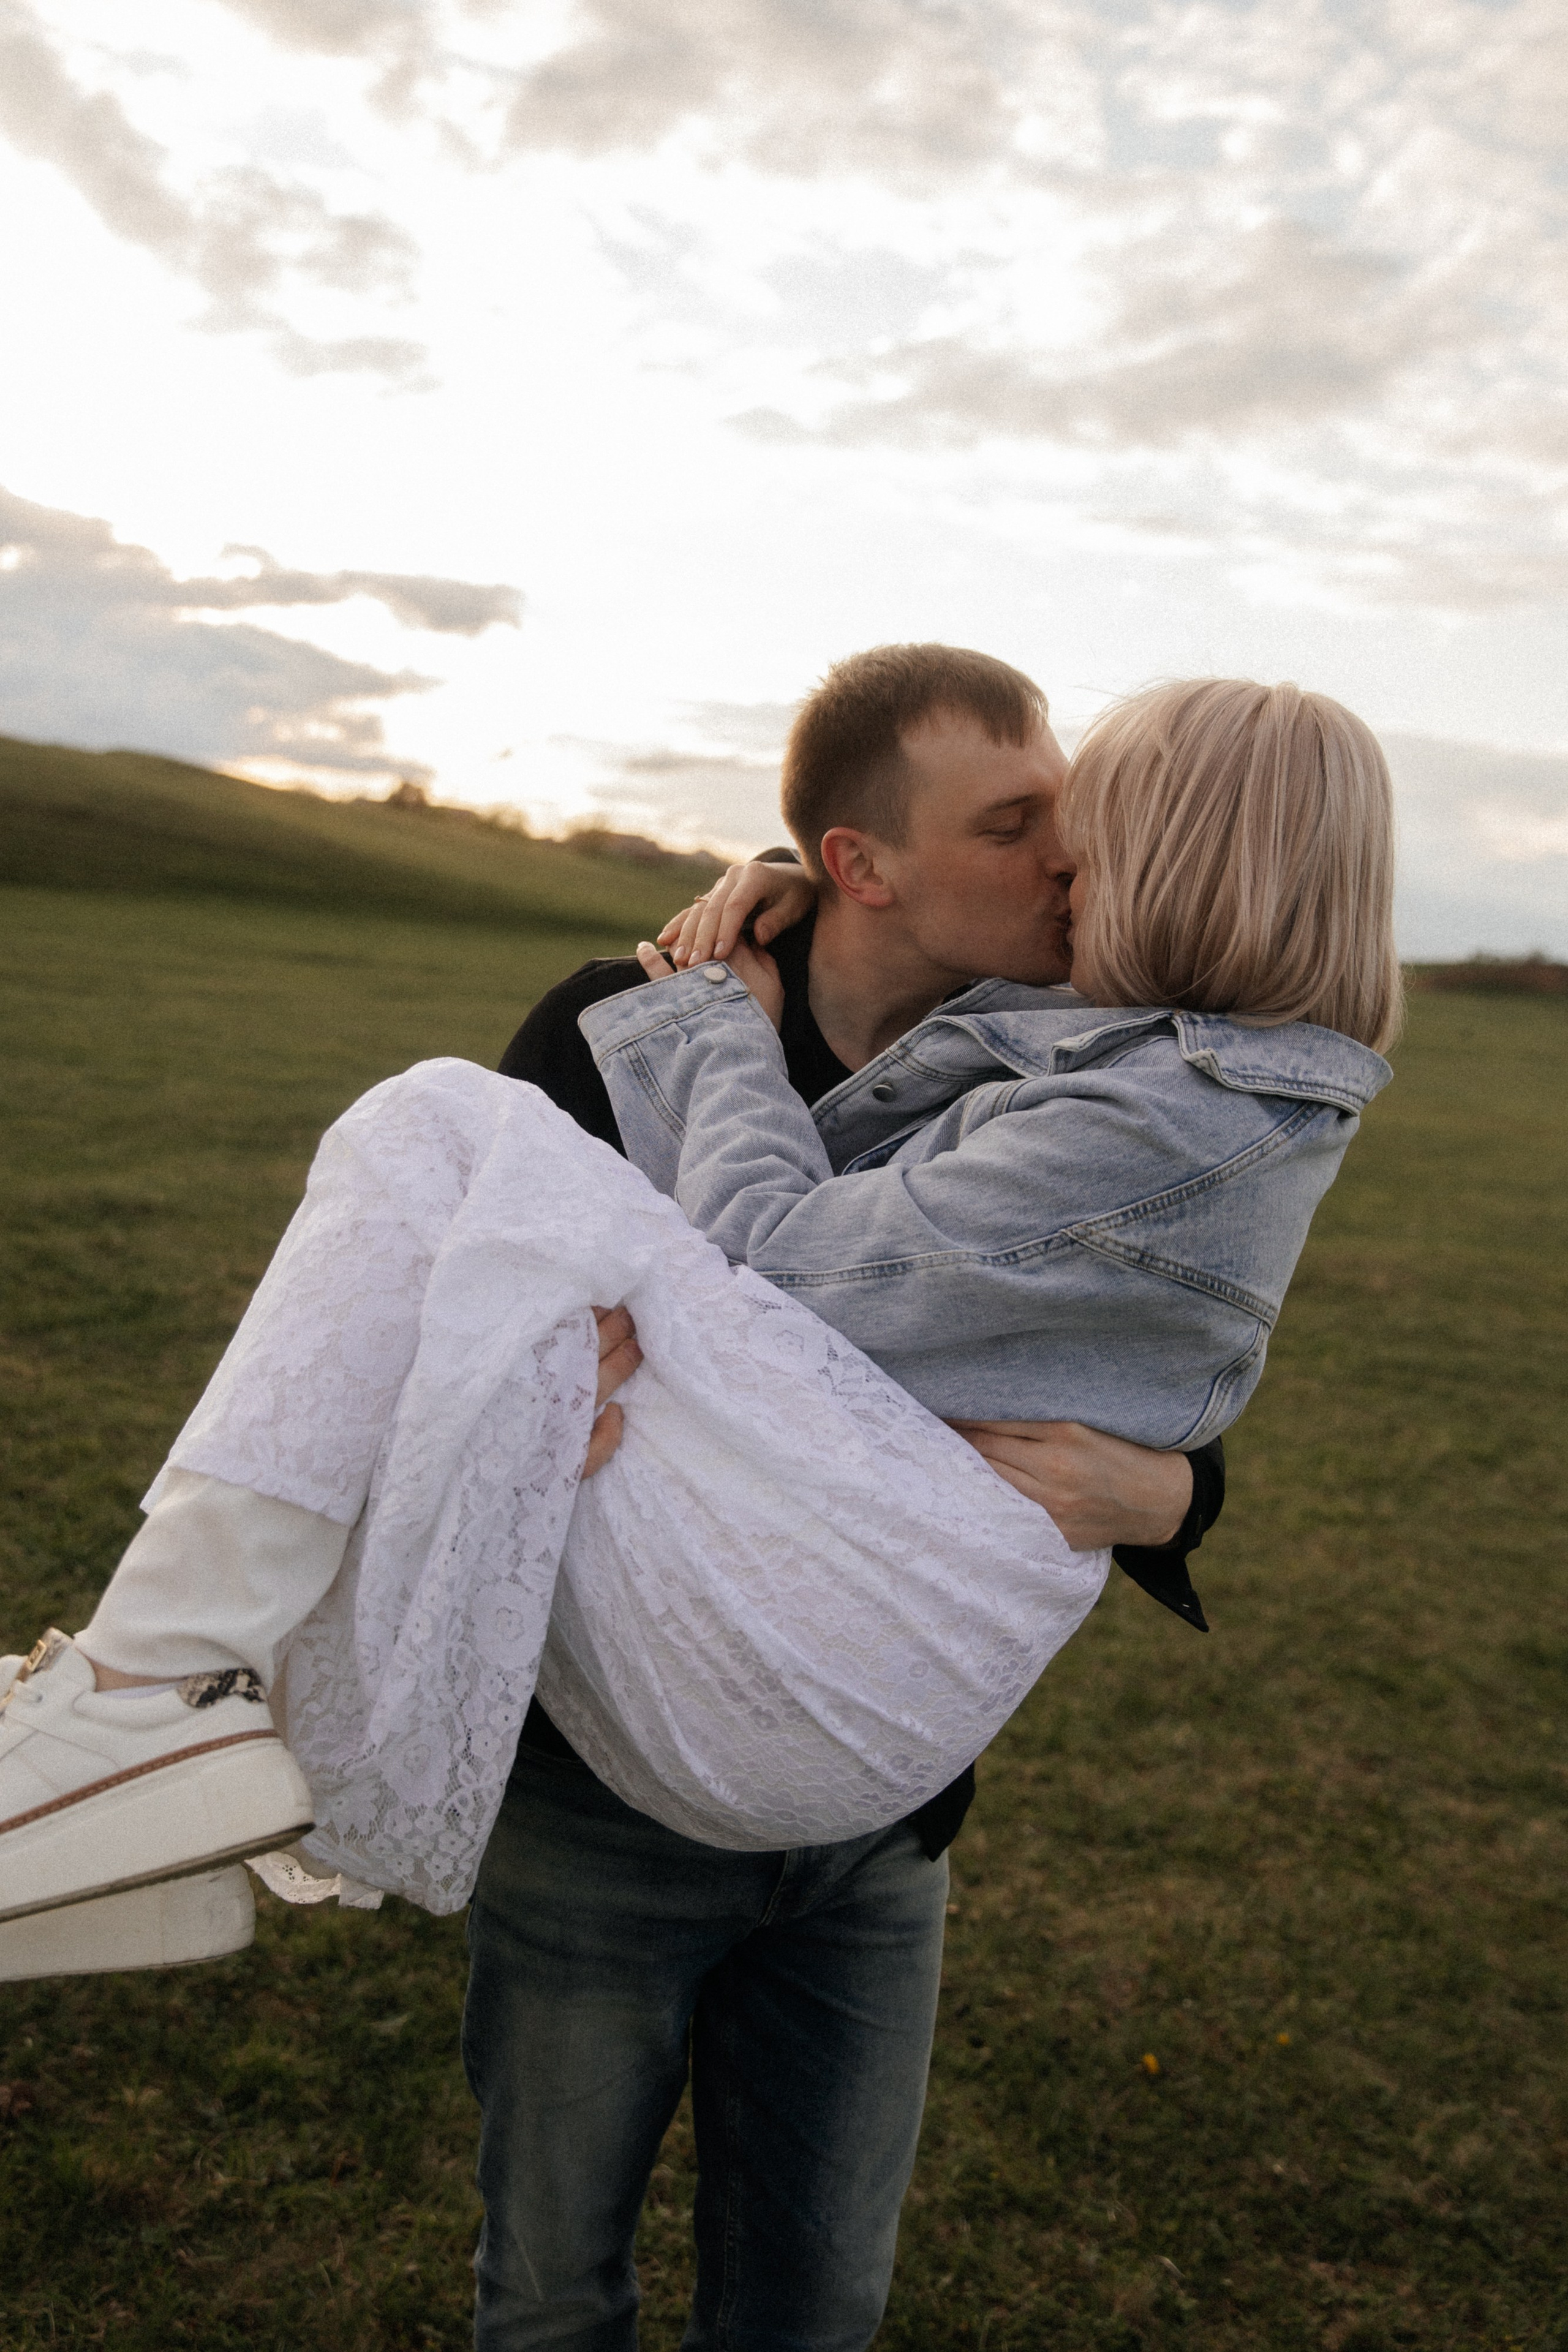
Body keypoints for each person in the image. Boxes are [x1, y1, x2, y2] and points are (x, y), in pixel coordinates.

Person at [0, 657, 1400, 2352]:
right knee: (550, 2284)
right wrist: (527, 1354)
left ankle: (149, 1707)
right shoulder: (637, 1016)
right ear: (857, 863)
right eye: (1023, 825)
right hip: (601, 1804)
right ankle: (162, 1737)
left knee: (814, 2303)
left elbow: (1078, 1341)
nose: (1064, 865)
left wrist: (1177, 1493)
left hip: (875, 1822)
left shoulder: (1065, 1077)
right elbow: (450, 1337)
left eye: (1085, 829)